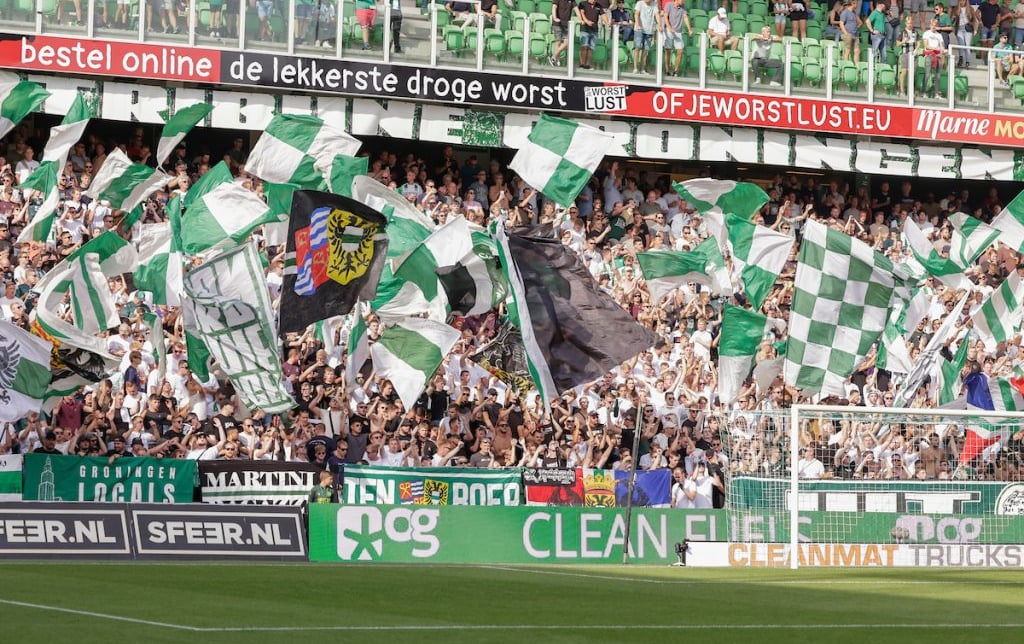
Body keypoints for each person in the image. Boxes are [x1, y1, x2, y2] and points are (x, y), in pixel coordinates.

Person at [661, 0, 693, 76]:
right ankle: (667, 70)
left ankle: (675, 71)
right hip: (668, 30)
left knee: (680, 51)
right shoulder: (669, 5)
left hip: (678, 32)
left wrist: (689, 29)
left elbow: (685, 17)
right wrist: (669, 28)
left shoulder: (683, 7)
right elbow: (665, 17)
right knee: (668, 51)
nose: (684, 1)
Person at [576, 0, 608, 70]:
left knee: (591, 48)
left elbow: (603, 15)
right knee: (584, 47)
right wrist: (587, 21)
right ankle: (582, 64)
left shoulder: (598, 6)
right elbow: (582, 13)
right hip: (585, 29)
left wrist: (607, 23)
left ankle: (587, 65)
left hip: (594, 30)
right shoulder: (583, 3)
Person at [919, 17, 946, 96]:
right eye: (932, 25)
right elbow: (926, 46)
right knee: (927, 74)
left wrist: (943, 56)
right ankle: (923, 92)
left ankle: (936, 93)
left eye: (935, 25)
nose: (934, 27)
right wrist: (935, 48)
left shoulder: (939, 35)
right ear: (930, 25)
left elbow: (942, 47)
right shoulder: (926, 33)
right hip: (929, 55)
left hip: (938, 56)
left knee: (938, 76)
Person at [633, 0, 660, 71]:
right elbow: (636, 14)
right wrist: (638, 24)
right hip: (639, 29)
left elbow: (657, 14)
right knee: (637, 48)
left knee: (646, 50)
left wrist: (659, 25)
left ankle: (643, 69)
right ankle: (635, 68)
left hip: (649, 31)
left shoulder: (654, 4)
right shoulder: (639, 3)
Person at [897, 14, 918, 92]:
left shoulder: (915, 32)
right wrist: (903, 41)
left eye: (911, 23)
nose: (910, 24)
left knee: (913, 72)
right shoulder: (902, 32)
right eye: (908, 23)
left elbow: (918, 42)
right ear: (906, 23)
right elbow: (897, 44)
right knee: (904, 72)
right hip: (905, 54)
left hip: (914, 54)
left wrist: (916, 49)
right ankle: (902, 90)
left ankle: (912, 90)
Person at [551, 0, 577, 66]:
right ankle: (555, 60)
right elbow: (554, 7)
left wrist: (581, 19)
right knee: (558, 42)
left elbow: (576, 9)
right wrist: (555, 18)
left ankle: (554, 56)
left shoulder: (572, 1)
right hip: (557, 23)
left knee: (567, 42)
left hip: (566, 24)